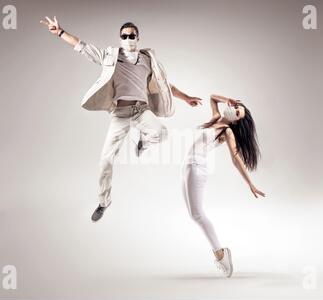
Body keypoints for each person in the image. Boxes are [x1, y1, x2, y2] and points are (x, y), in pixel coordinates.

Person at [40, 17, 202, 221]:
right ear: (120, 38)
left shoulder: (147, 60)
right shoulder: (110, 57)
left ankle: (143, 141)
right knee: (105, 161)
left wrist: (186, 97)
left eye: (131, 35)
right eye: (124, 36)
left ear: (138, 37)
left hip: (141, 110)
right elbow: (82, 46)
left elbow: (165, 85)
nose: (127, 38)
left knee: (161, 133)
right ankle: (103, 202)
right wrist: (60, 32)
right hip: (120, 114)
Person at [181, 94, 266, 277]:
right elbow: (212, 97)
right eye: (236, 108)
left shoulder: (226, 131)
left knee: (197, 214)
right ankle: (220, 253)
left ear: (236, 122)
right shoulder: (216, 118)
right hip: (187, 166)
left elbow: (235, 159)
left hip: (197, 167)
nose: (234, 110)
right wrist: (228, 99)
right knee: (193, 215)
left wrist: (250, 183)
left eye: (237, 113)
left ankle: (220, 254)